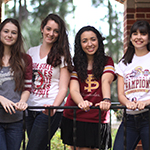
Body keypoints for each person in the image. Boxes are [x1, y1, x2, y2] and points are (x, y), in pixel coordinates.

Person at [61, 25, 116, 150]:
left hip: (98, 114)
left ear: (99, 41)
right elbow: (74, 89)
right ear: (79, 44)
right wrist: (82, 102)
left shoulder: (107, 61)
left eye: (93, 39)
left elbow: (106, 80)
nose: (89, 44)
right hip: (75, 113)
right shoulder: (74, 63)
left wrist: (106, 100)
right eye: (84, 41)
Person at [25, 13, 73, 150]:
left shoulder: (62, 56)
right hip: (31, 109)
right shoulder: (31, 52)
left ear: (60, 34)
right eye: (48, 29)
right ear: (42, 28)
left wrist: (54, 107)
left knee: (33, 148)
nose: (51, 33)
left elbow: (64, 88)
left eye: (56, 31)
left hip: (49, 111)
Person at [113, 20, 150, 150]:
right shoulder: (124, 63)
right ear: (130, 38)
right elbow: (121, 94)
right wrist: (127, 103)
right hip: (129, 119)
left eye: (143, 33)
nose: (138, 37)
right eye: (135, 33)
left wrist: (145, 102)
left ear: (149, 37)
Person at [0, 18, 32, 150]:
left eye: (14, 32)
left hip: (16, 121)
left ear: (18, 36)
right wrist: (1, 99)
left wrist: (23, 101)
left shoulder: (25, 59)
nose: (9, 35)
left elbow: (27, 87)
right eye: (6, 31)